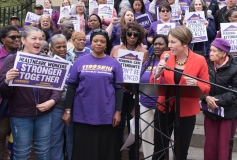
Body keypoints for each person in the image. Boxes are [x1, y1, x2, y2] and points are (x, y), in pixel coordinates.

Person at [0, 27, 61, 160]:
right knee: (21, 153)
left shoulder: (48, 60)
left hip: (45, 114)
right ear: (23, 40)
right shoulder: (11, 60)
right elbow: (4, 93)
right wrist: (7, 81)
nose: (38, 42)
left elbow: (57, 88)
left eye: (41, 38)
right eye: (34, 38)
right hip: (21, 115)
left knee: (44, 151)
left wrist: (52, 101)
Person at [150, 26, 210, 160]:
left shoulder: (200, 60)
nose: (169, 45)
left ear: (185, 43)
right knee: (159, 150)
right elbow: (154, 82)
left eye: (173, 42)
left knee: (181, 152)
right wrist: (158, 72)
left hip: (186, 112)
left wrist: (196, 84)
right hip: (164, 109)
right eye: (169, 41)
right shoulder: (166, 57)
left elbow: (206, 87)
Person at [64, 29, 123, 160]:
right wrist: (68, 110)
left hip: (106, 113)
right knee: (84, 149)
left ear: (106, 44)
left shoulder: (114, 63)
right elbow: (72, 86)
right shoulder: (80, 61)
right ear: (91, 43)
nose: (99, 43)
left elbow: (119, 89)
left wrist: (118, 111)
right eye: (96, 41)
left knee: (105, 148)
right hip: (83, 112)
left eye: (102, 41)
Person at [110, 21, 148, 160]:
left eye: (135, 34)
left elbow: (144, 74)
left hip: (134, 95)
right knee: (118, 127)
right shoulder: (115, 49)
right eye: (129, 34)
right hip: (118, 94)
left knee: (133, 127)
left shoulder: (144, 52)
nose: (132, 37)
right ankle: (116, 156)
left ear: (139, 36)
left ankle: (133, 157)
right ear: (124, 34)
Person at [202, 38, 237, 160]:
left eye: (214, 51)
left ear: (223, 53)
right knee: (210, 146)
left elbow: (235, 91)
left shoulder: (235, 68)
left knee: (224, 147)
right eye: (210, 50)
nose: (210, 53)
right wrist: (206, 98)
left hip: (228, 114)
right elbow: (200, 85)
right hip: (210, 112)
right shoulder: (206, 64)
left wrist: (214, 99)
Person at [140, 34, 169, 160]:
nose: (157, 46)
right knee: (147, 139)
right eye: (155, 44)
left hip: (164, 106)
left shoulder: (171, 63)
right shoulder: (146, 63)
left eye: (161, 44)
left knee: (164, 140)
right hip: (145, 105)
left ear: (167, 46)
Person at [49, 34, 73, 160]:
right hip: (55, 107)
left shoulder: (75, 59)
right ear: (51, 48)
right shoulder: (46, 62)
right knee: (55, 139)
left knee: (72, 139)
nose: (62, 49)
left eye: (64, 46)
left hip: (73, 106)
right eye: (58, 47)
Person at [0, 25, 21, 160]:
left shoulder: (26, 54)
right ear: (3, 40)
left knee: (18, 137)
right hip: (3, 102)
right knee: (1, 134)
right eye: (12, 37)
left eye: (18, 37)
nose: (16, 40)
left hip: (19, 103)